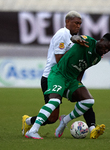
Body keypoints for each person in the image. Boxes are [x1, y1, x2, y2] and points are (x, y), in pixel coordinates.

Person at [22, 10, 102, 139]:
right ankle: (28, 121)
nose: (78, 26)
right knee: (53, 117)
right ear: (67, 22)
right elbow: (60, 60)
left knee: (85, 98)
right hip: (52, 76)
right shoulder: (62, 34)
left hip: (67, 77)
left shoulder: (77, 39)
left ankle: (92, 128)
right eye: (76, 23)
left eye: (80, 23)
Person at [25, 33, 110, 139]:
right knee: (54, 102)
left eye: (109, 50)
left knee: (89, 101)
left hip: (72, 80)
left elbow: (83, 68)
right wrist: (77, 39)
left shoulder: (97, 58)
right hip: (59, 74)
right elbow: (75, 38)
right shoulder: (88, 41)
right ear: (101, 40)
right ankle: (33, 131)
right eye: (106, 47)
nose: (106, 51)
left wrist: (77, 85)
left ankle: (64, 120)